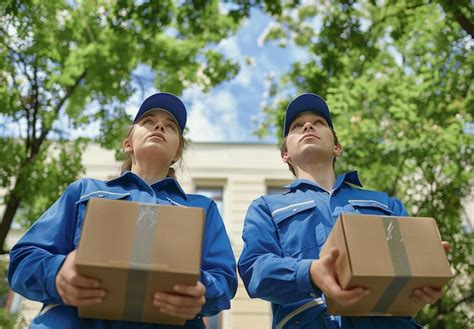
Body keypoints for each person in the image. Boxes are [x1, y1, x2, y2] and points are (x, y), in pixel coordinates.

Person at [8, 92, 237, 329]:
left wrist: (202, 290)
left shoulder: (203, 208)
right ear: (127, 143)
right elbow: (23, 260)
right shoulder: (83, 192)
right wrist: (56, 274)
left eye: (170, 126)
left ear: (177, 153)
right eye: (148, 121)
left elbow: (224, 280)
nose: (159, 125)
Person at [238, 93, 448, 329]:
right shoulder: (266, 208)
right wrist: (309, 273)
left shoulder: (386, 204)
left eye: (319, 123)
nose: (308, 125)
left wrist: (427, 274)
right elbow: (255, 270)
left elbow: (412, 265)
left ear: (336, 147)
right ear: (285, 153)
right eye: (297, 126)